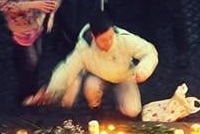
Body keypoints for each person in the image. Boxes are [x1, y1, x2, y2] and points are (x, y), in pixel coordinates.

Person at [27, 12, 158, 118]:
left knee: (133, 110)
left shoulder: (124, 39)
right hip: (98, 76)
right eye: (103, 40)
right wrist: (51, 90)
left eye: (111, 37)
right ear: (93, 37)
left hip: (124, 76)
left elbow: (149, 51)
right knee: (91, 87)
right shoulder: (84, 49)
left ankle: (120, 102)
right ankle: (96, 108)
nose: (108, 43)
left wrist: (143, 69)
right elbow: (67, 69)